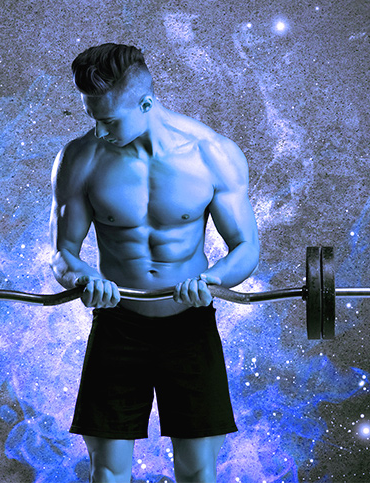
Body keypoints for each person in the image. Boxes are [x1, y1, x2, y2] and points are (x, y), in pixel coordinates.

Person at [49, 43, 260, 483]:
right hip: (117, 323)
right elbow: (63, 254)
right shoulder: (79, 158)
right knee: (107, 472)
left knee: (198, 471)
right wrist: (84, 276)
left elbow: (245, 248)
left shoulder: (212, 155)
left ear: (146, 103)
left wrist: (214, 279)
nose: (100, 130)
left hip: (189, 324)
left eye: (109, 119)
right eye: (93, 117)